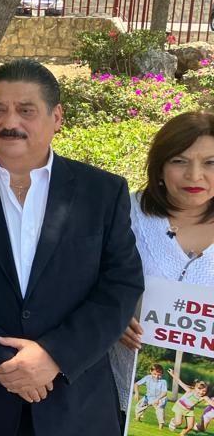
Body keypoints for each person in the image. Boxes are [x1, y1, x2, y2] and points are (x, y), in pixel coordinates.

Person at [0, 59, 144, 436]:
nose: (10, 122)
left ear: (57, 117)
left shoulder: (101, 191)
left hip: (72, 398)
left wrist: (54, 356)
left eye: (26, 110)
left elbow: (120, 284)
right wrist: (3, 362)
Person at [109, 111, 214, 424]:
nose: (195, 176)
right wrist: (111, 316)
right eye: (179, 161)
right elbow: (80, 281)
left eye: (210, 163)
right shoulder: (124, 214)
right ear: (160, 166)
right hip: (116, 393)